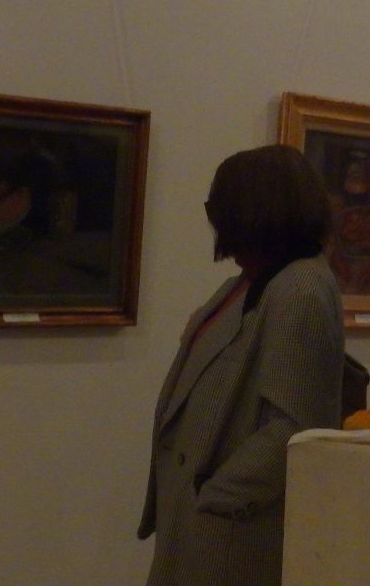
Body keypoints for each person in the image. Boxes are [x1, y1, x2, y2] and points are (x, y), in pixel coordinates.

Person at [137, 144, 346, 585]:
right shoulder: (253, 281)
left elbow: (295, 426)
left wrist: (217, 497)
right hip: (206, 522)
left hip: (231, 533)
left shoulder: (299, 289)